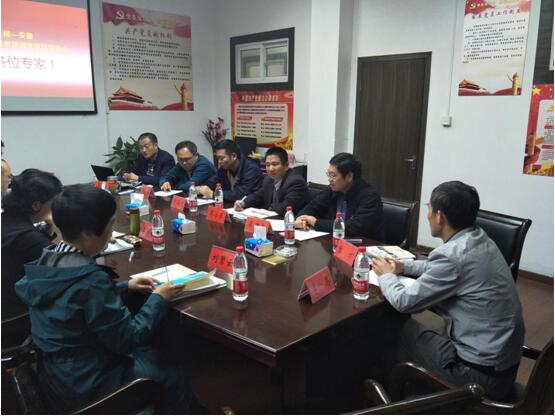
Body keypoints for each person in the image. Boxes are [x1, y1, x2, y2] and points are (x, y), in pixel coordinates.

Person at [15, 185, 204, 413]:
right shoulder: (90, 281)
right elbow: (128, 338)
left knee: (154, 350)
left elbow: (73, 301)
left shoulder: (48, 259)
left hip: (57, 376)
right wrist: (158, 298)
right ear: (87, 233)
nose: (111, 231)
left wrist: (125, 286)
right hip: (90, 382)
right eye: (110, 224)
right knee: (170, 371)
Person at [372, 181, 524, 400]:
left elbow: (404, 302)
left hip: (478, 377)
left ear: (439, 216)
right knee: (406, 328)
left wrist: (386, 275)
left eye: (429, 208)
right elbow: (442, 266)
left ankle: (396, 397)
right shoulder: (477, 237)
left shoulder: (452, 256)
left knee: (393, 325)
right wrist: (404, 267)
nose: (427, 214)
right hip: (501, 366)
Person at [1, 169, 62, 318]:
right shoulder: (29, 238)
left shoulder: (6, 218)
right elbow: (60, 276)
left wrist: (45, 234)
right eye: (52, 202)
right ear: (36, 205)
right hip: (16, 317)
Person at [295, 152, 382, 238]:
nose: (329, 179)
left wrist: (315, 222)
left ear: (349, 176)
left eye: (333, 175)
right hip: (335, 239)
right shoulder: (332, 190)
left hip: (362, 243)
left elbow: (355, 227)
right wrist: (302, 219)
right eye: (328, 174)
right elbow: (312, 207)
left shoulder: (369, 196)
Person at [233, 147, 309, 215]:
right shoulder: (268, 180)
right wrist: (243, 202)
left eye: (275, 164)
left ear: (286, 166)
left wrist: (266, 210)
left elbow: (287, 207)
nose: (271, 169)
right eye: (268, 165)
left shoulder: (295, 182)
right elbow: (259, 195)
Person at [197, 139, 263, 202]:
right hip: (230, 205)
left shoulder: (251, 169)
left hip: (249, 207)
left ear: (234, 156)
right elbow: (212, 183)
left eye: (222, 158)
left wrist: (214, 194)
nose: (219, 162)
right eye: (218, 158)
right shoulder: (224, 168)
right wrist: (200, 189)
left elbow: (241, 194)